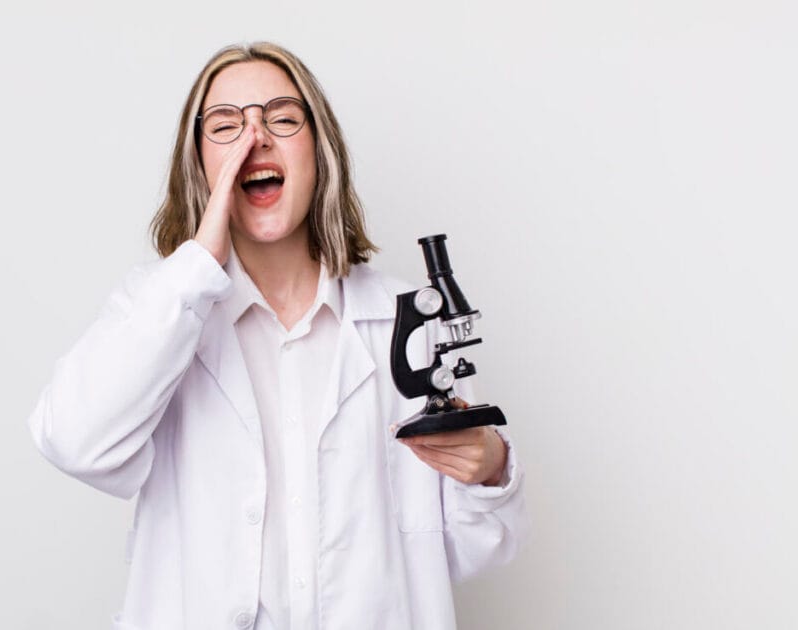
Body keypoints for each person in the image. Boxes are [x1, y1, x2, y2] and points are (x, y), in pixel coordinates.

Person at [27, 42, 527, 630]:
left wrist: (490, 468)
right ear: (198, 165)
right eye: (225, 126)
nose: (254, 139)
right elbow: (74, 441)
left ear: (320, 150)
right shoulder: (158, 310)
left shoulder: (402, 321)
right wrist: (196, 268)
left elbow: (468, 551)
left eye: (282, 119)